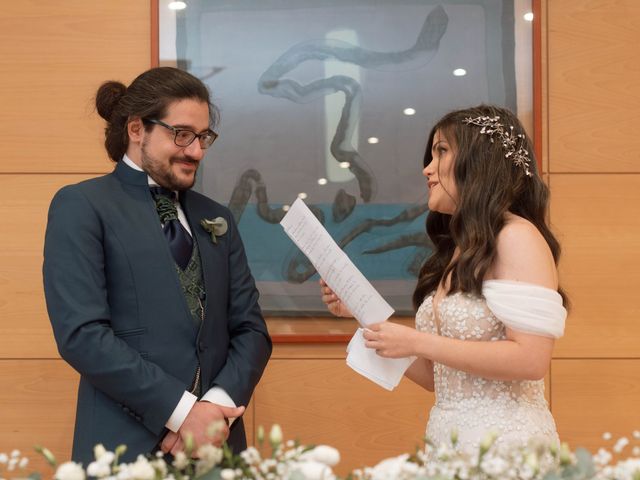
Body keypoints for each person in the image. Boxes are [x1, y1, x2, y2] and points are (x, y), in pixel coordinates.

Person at [43, 67, 272, 464]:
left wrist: (213, 410)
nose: (196, 151)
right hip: (123, 449)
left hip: (218, 450)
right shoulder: (82, 206)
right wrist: (183, 413)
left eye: (203, 137)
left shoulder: (216, 217)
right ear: (137, 130)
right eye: (181, 134)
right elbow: (81, 334)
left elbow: (251, 330)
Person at [321, 104, 567, 454]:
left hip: (505, 449)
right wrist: (363, 313)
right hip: (448, 441)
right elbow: (435, 377)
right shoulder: (458, 250)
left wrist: (417, 341)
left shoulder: (516, 236)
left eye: (441, 152)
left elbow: (531, 360)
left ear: (478, 161)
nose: (427, 169)